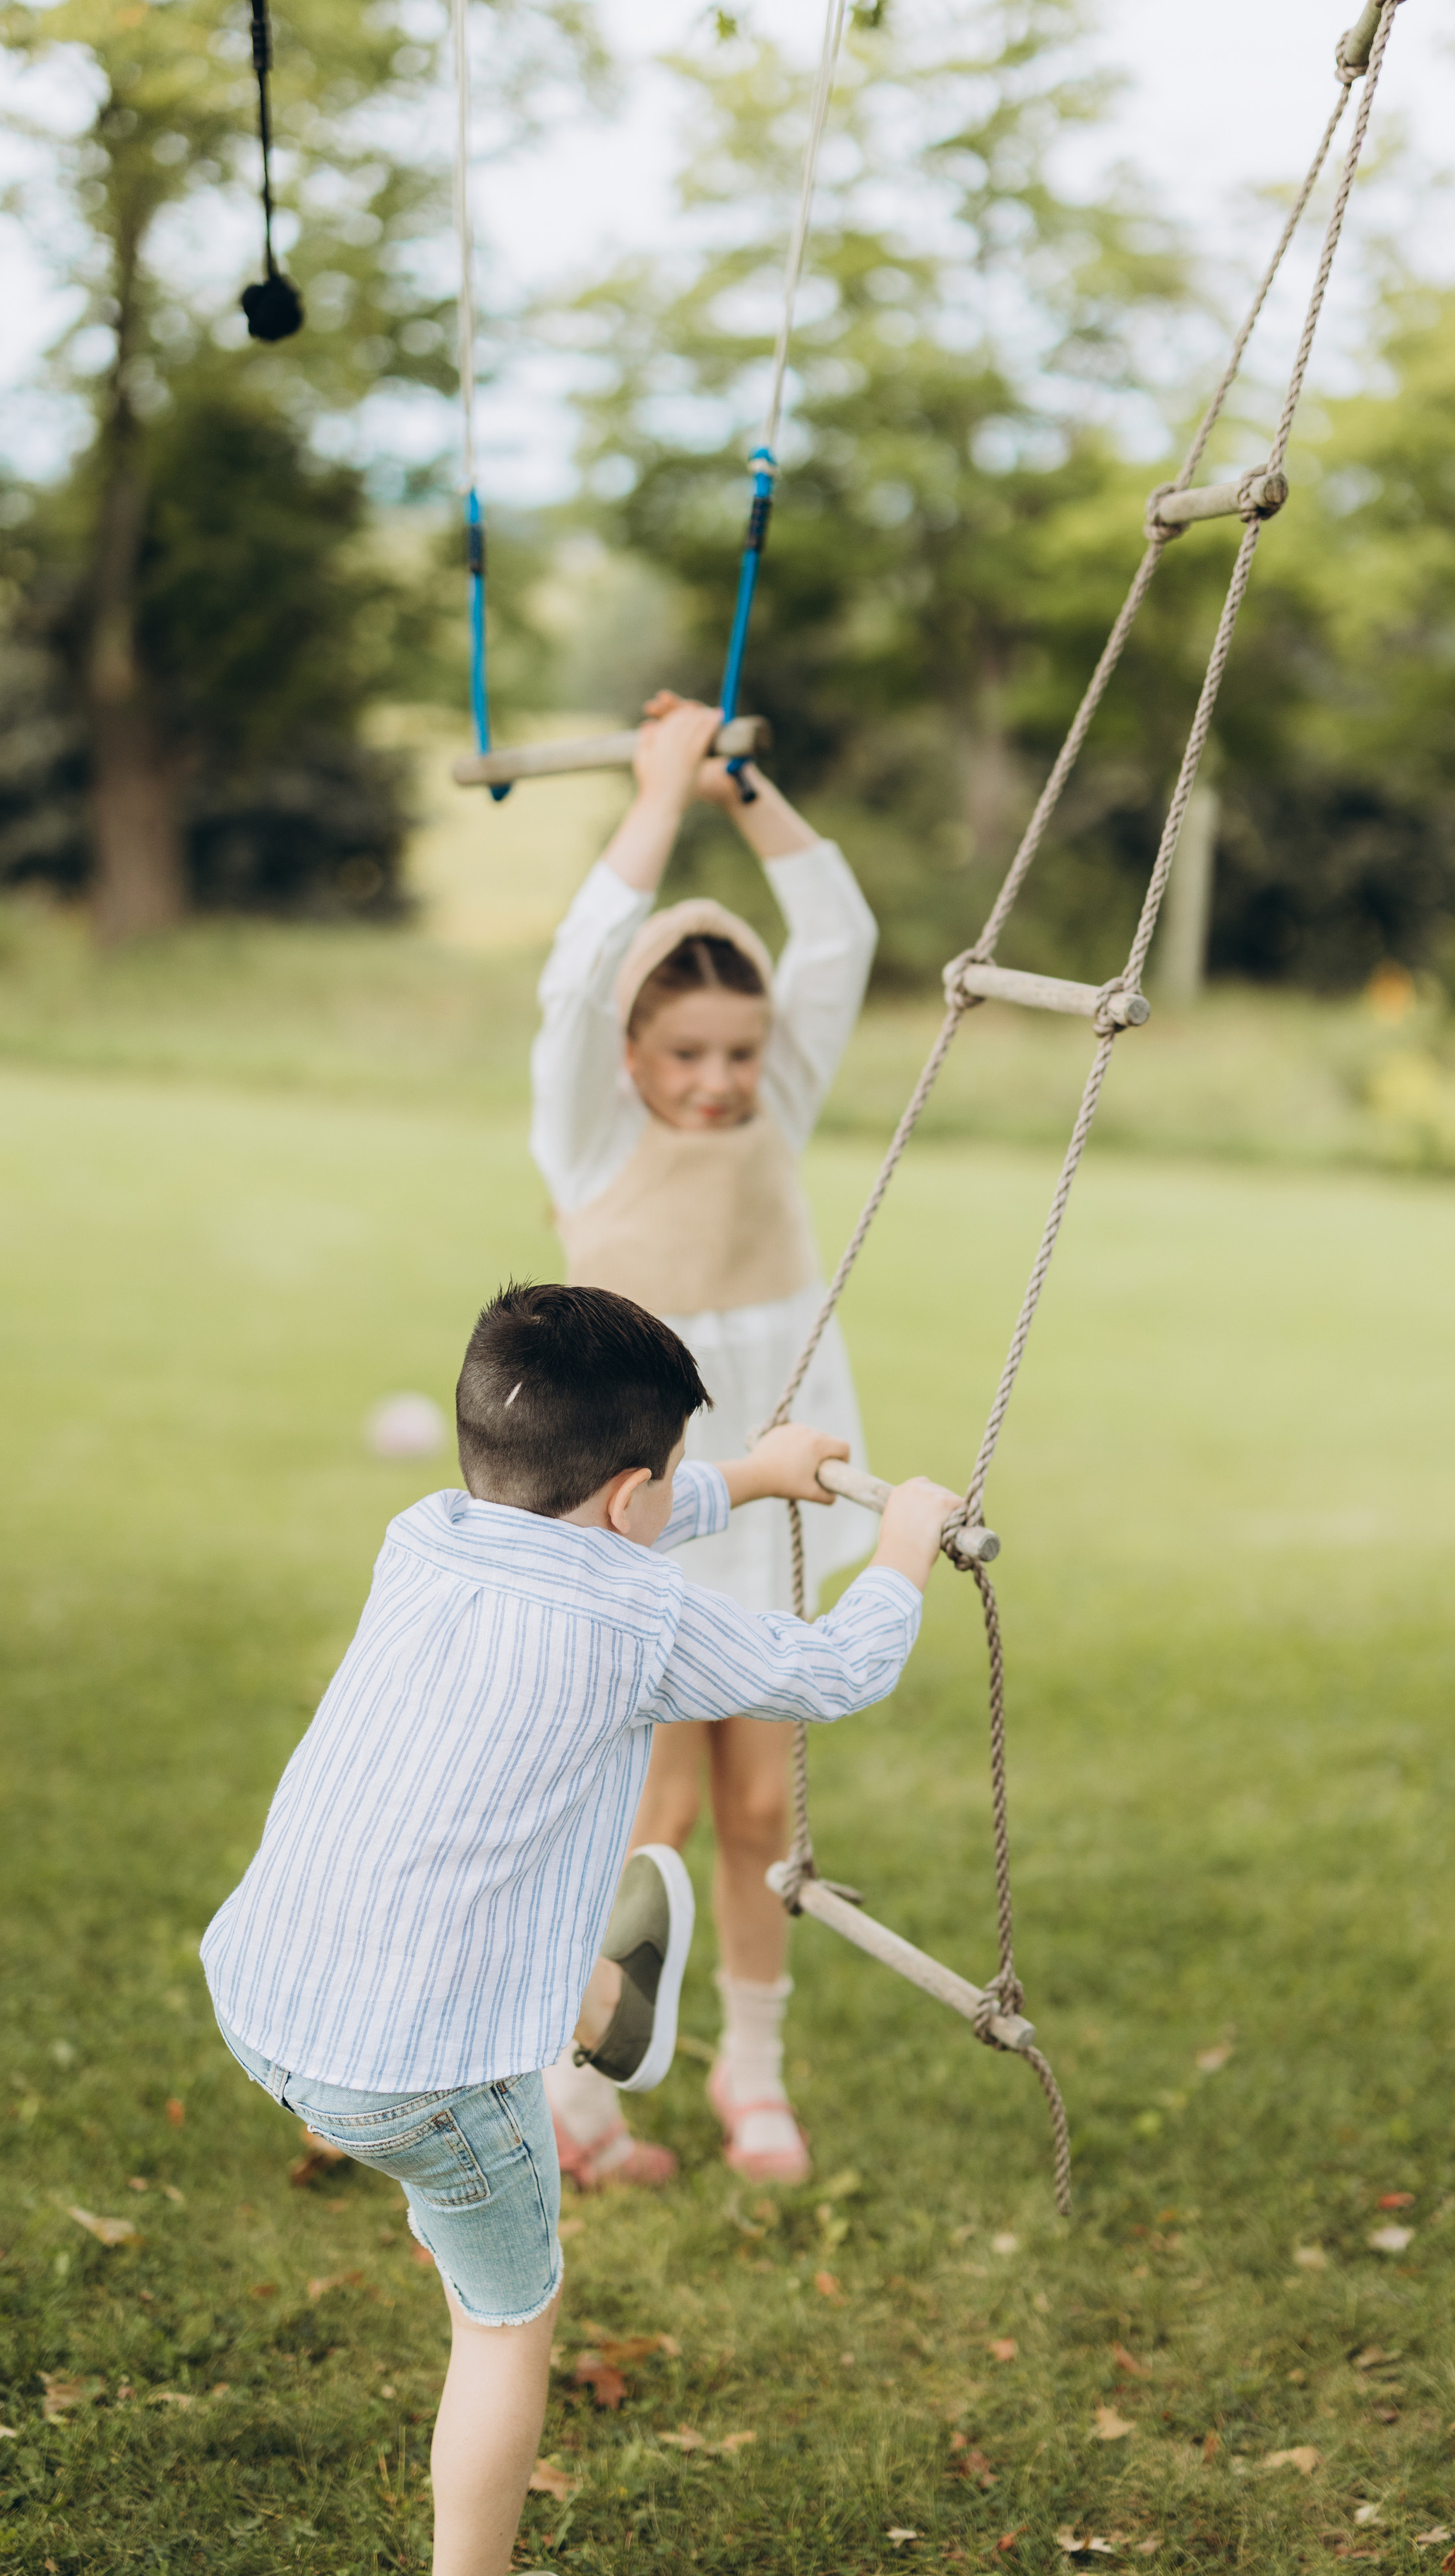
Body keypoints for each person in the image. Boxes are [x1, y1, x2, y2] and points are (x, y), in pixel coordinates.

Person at [200, 1282, 961, 2576]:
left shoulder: (424, 1535)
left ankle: (586, 1990)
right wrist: (901, 1547)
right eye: (668, 1480)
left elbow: (594, 1522)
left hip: (272, 1998)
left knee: (499, 1892)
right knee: (503, 2323)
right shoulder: (640, 1630)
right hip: (421, 2078)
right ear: (630, 1492)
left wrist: (740, 1477)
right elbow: (832, 1672)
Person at [531, 694, 878, 2191]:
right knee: (656, 1806)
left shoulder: (776, 1110)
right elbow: (571, 981)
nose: (720, 1081)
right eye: (686, 1053)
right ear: (631, 1053)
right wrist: (657, 794)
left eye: (739, 1050)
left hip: (779, 1504)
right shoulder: (590, 1129)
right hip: (653, 1514)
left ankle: (751, 2078)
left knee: (757, 1812)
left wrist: (746, 790)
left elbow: (842, 935)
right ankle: (579, 2088)